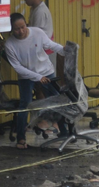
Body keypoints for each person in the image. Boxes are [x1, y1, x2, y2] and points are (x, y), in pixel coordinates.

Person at [4, 13, 65, 149]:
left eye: (23, 27)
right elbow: (18, 68)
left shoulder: (37, 32)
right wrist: (37, 77)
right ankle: (21, 138)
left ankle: (64, 131)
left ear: (26, 24)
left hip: (46, 71)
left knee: (56, 100)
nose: (21, 31)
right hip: (26, 76)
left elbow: (50, 45)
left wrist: (63, 49)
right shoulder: (10, 45)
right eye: (17, 29)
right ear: (11, 30)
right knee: (25, 105)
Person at [21, 0, 55, 66]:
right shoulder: (34, 9)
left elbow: (35, 33)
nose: (24, 0)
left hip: (44, 50)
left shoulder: (40, 11)